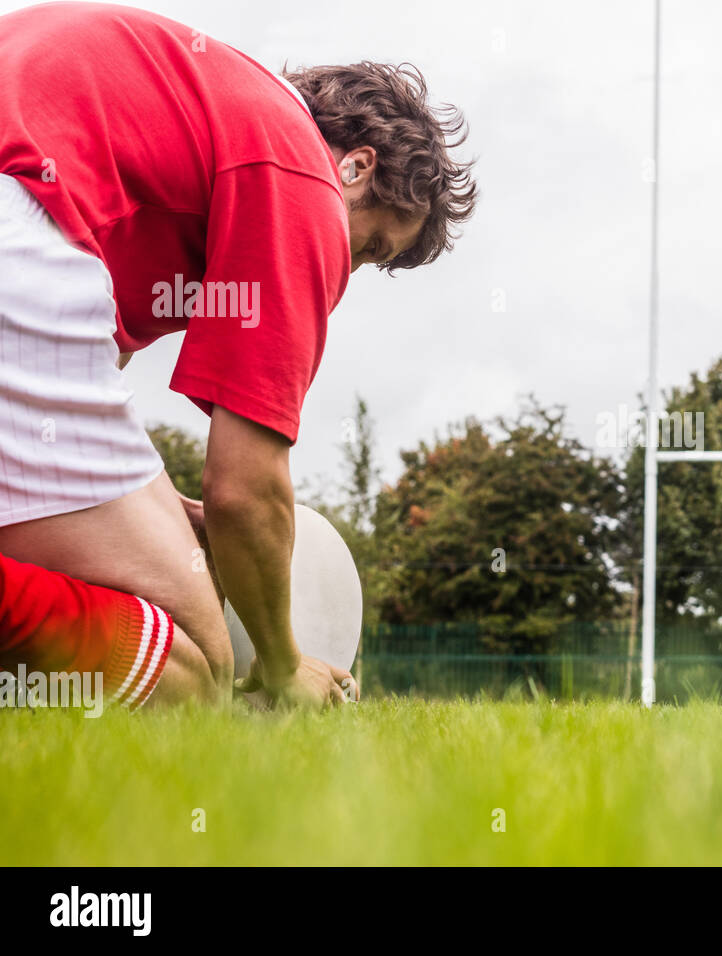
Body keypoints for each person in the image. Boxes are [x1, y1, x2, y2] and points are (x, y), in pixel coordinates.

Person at [0, 2, 476, 709]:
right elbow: (243, 486)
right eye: (372, 245)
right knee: (193, 672)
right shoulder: (304, 177)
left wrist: (164, 513)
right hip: (22, 256)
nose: (350, 269)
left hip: (28, 251)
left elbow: (65, 434)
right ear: (356, 166)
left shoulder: (212, 105)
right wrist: (283, 664)